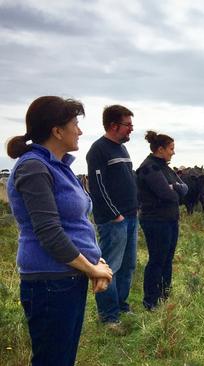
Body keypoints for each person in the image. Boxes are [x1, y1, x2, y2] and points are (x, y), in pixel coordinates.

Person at [6, 96, 113, 365]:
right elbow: (49, 233)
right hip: (50, 281)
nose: (79, 130)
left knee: (62, 358)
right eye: (75, 124)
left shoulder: (59, 167)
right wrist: (92, 269)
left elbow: (75, 223)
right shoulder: (34, 167)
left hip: (66, 276)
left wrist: (94, 260)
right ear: (57, 131)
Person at [86, 105, 138, 326]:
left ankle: (121, 306)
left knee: (128, 265)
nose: (131, 129)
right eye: (128, 125)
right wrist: (114, 214)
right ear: (113, 126)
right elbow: (97, 187)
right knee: (110, 268)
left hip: (130, 216)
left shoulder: (122, 150)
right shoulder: (98, 150)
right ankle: (109, 317)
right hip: (113, 220)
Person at [136, 131, 188, 310]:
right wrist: (175, 189)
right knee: (157, 260)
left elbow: (185, 188)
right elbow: (167, 195)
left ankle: (165, 296)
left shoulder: (164, 167)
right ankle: (150, 301)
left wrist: (176, 187)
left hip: (170, 219)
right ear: (160, 149)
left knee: (167, 259)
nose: (173, 152)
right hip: (156, 221)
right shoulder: (149, 168)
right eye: (171, 149)